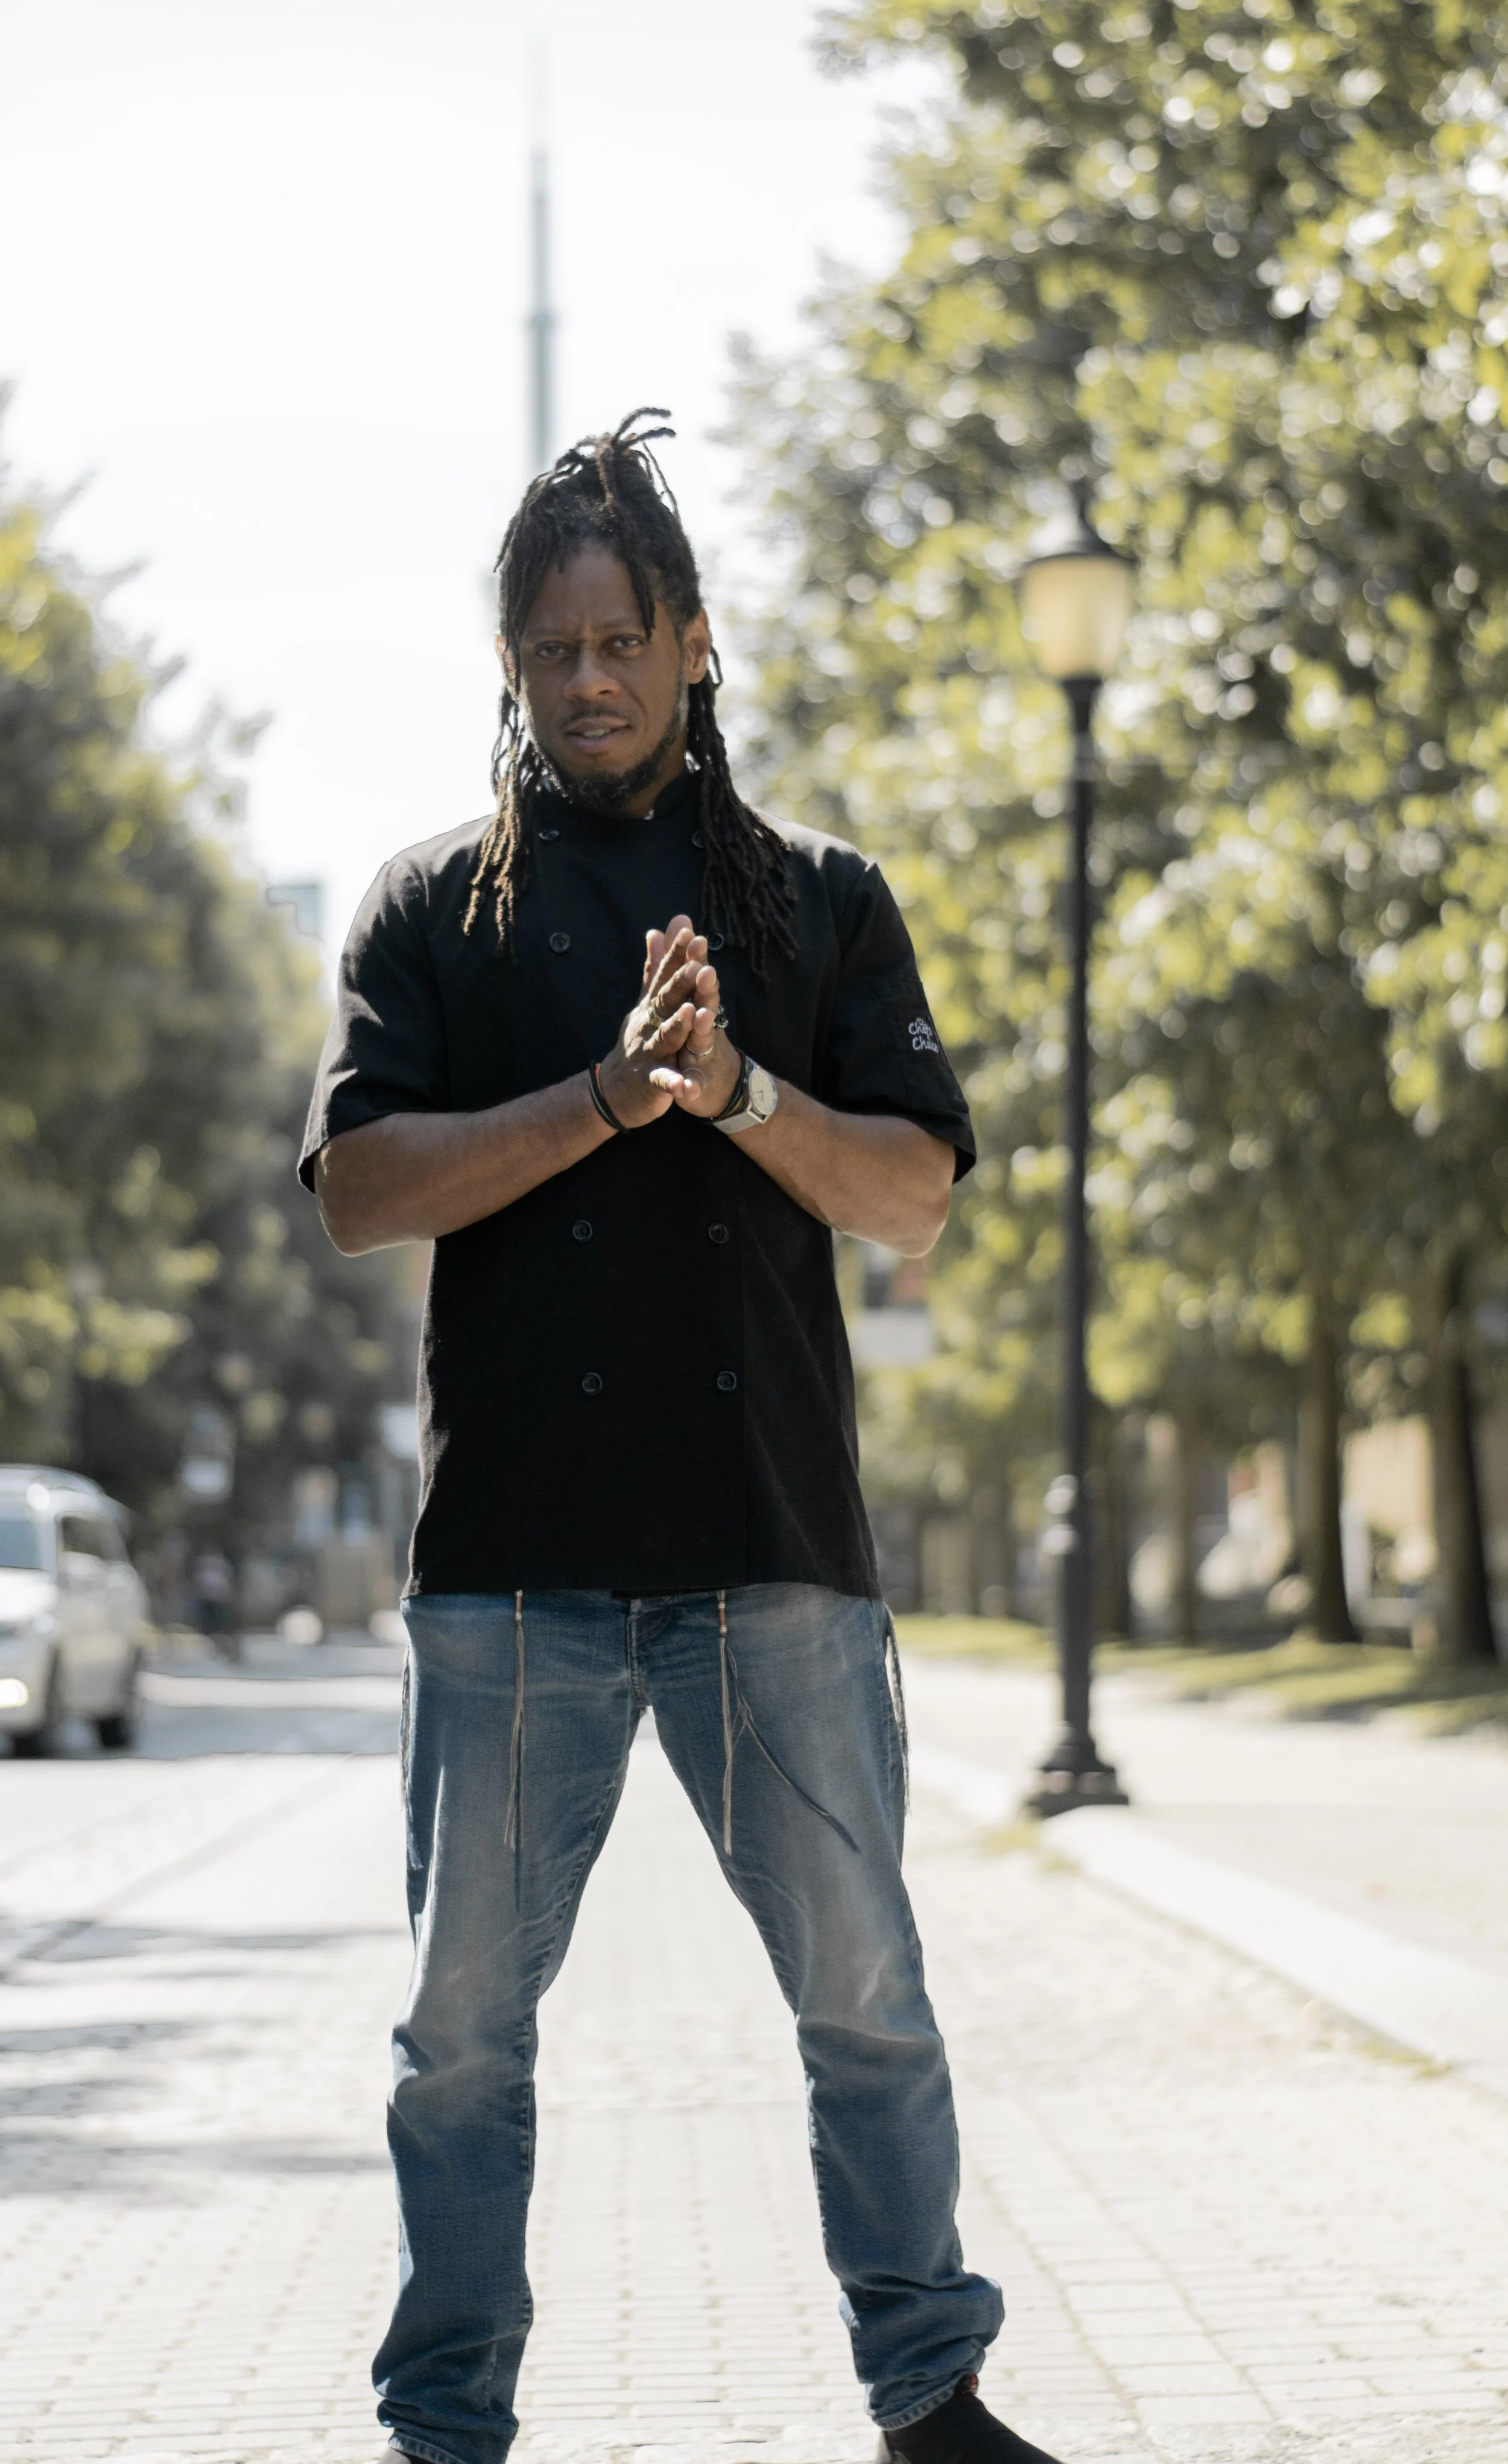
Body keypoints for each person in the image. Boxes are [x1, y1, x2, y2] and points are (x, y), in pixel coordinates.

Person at [302, 411, 1062, 2464]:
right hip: (509, 1574)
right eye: (545, 649)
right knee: (461, 2043)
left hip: (772, 1558)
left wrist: (731, 1092)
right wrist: (604, 1097)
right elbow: (363, 1188)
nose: (584, 680)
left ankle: (931, 2395)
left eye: (618, 637)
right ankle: (443, 2423)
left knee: (866, 2006)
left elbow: (908, 1192)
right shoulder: (421, 910)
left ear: (694, 641)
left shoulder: (819, 899)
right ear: (509, 667)